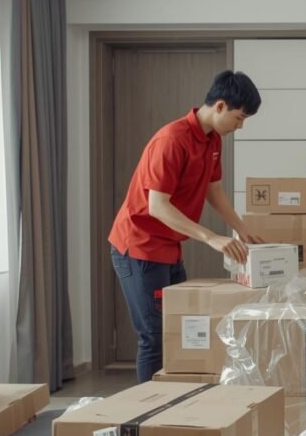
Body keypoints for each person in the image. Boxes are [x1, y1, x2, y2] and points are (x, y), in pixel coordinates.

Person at [108, 70, 264, 382]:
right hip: (139, 247)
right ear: (220, 106)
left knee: (179, 329)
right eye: (239, 117)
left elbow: (213, 189)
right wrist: (212, 237)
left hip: (169, 247)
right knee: (154, 335)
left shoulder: (212, 140)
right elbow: (158, 206)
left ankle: (177, 400)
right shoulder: (172, 140)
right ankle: (150, 413)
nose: (241, 126)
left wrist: (240, 228)